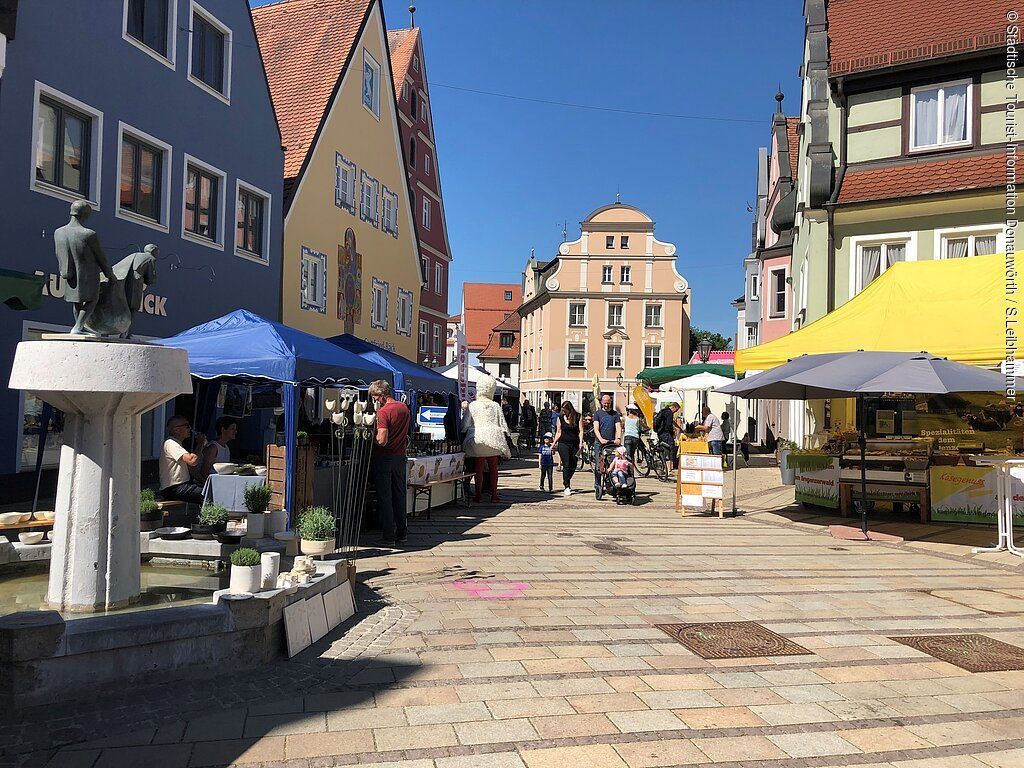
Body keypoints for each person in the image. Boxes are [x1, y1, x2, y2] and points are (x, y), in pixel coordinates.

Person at [369, 379, 411, 546]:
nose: (374, 400)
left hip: (384, 457)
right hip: (400, 457)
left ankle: (388, 537)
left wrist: (371, 438)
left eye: (374, 397)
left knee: (385, 497)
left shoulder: (383, 412)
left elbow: (382, 439)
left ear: (381, 395)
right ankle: (402, 533)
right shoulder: (404, 408)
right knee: (399, 495)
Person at [462, 375, 511, 503]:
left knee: (478, 468)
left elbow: (465, 425)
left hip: (478, 438)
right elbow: (503, 424)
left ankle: (478, 494)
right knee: (493, 468)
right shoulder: (495, 405)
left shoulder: (473, 405)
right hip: (493, 439)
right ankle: (494, 494)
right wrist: (507, 435)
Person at [159, 416, 207, 505]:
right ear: (176, 430)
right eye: (187, 425)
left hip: (181, 486)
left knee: (209, 491)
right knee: (209, 495)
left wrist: (203, 482)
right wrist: (200, 443)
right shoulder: (170, 443)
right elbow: (192, 461)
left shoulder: (177, 444)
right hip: (174, 488)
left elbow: (191, 468)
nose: (190, 428)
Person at [592, 395, 622, 499]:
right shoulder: (598, 413)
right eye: (604, 403)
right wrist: (600, 439)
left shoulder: (615, 414)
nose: (606, 405)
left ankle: (611, 483)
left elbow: (618, 427)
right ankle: (597, 485)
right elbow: (596, 428)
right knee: (599, 465)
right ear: (602, 402)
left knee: (612, 464)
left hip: (611, 443)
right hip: (600, 443)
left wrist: (618, 438)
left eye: (608, 403)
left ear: (611, 402)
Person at [553, 401, 582, 496]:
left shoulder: (578, 416)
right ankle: (567, 486)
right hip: (563, 443)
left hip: (575, 443)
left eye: (565, 411)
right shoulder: (560, 418)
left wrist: (581, 442)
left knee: (574, 464)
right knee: (566, 464)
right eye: (563, 411)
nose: (563, 412)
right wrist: (554, 442)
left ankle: (566, 479)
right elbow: (558, 431)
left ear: (570, 410)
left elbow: (581, 430)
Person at [201, 416, 237, 481]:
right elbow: (204, 472)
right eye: (232, 428)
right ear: (223, 429)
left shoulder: (226, 447)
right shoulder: (213, 448)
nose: (235, 431)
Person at [653, 401, 681, 471]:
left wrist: (678, 428)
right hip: (666, 433)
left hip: (660, 433)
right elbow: (669, 424)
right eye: (676, 410)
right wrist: (672, 433)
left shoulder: (663, 411)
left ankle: (664, 465)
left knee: (664, 449)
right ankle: (669, 468)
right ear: (673, 407)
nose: (676, 412)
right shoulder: (669, 413)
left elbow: (671, 422)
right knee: (670, 448)